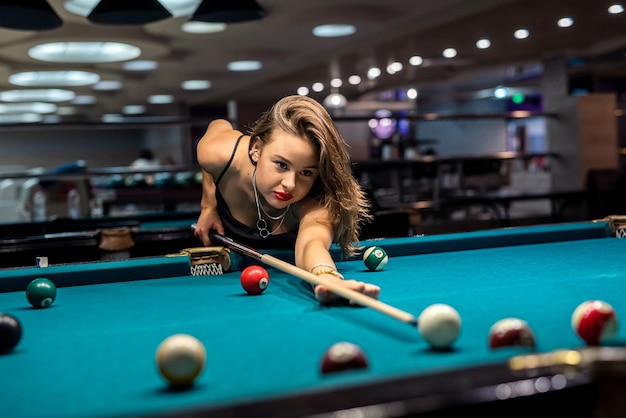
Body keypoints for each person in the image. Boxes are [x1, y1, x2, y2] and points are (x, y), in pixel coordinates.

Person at [194, 95, 380, 304]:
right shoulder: (219, 154)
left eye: (306, 172)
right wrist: (208, 205)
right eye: (281, 165)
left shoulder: (315, 201)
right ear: (256, 149)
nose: (290, 184)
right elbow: (218, 124)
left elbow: (312, 242)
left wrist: (328, 278)